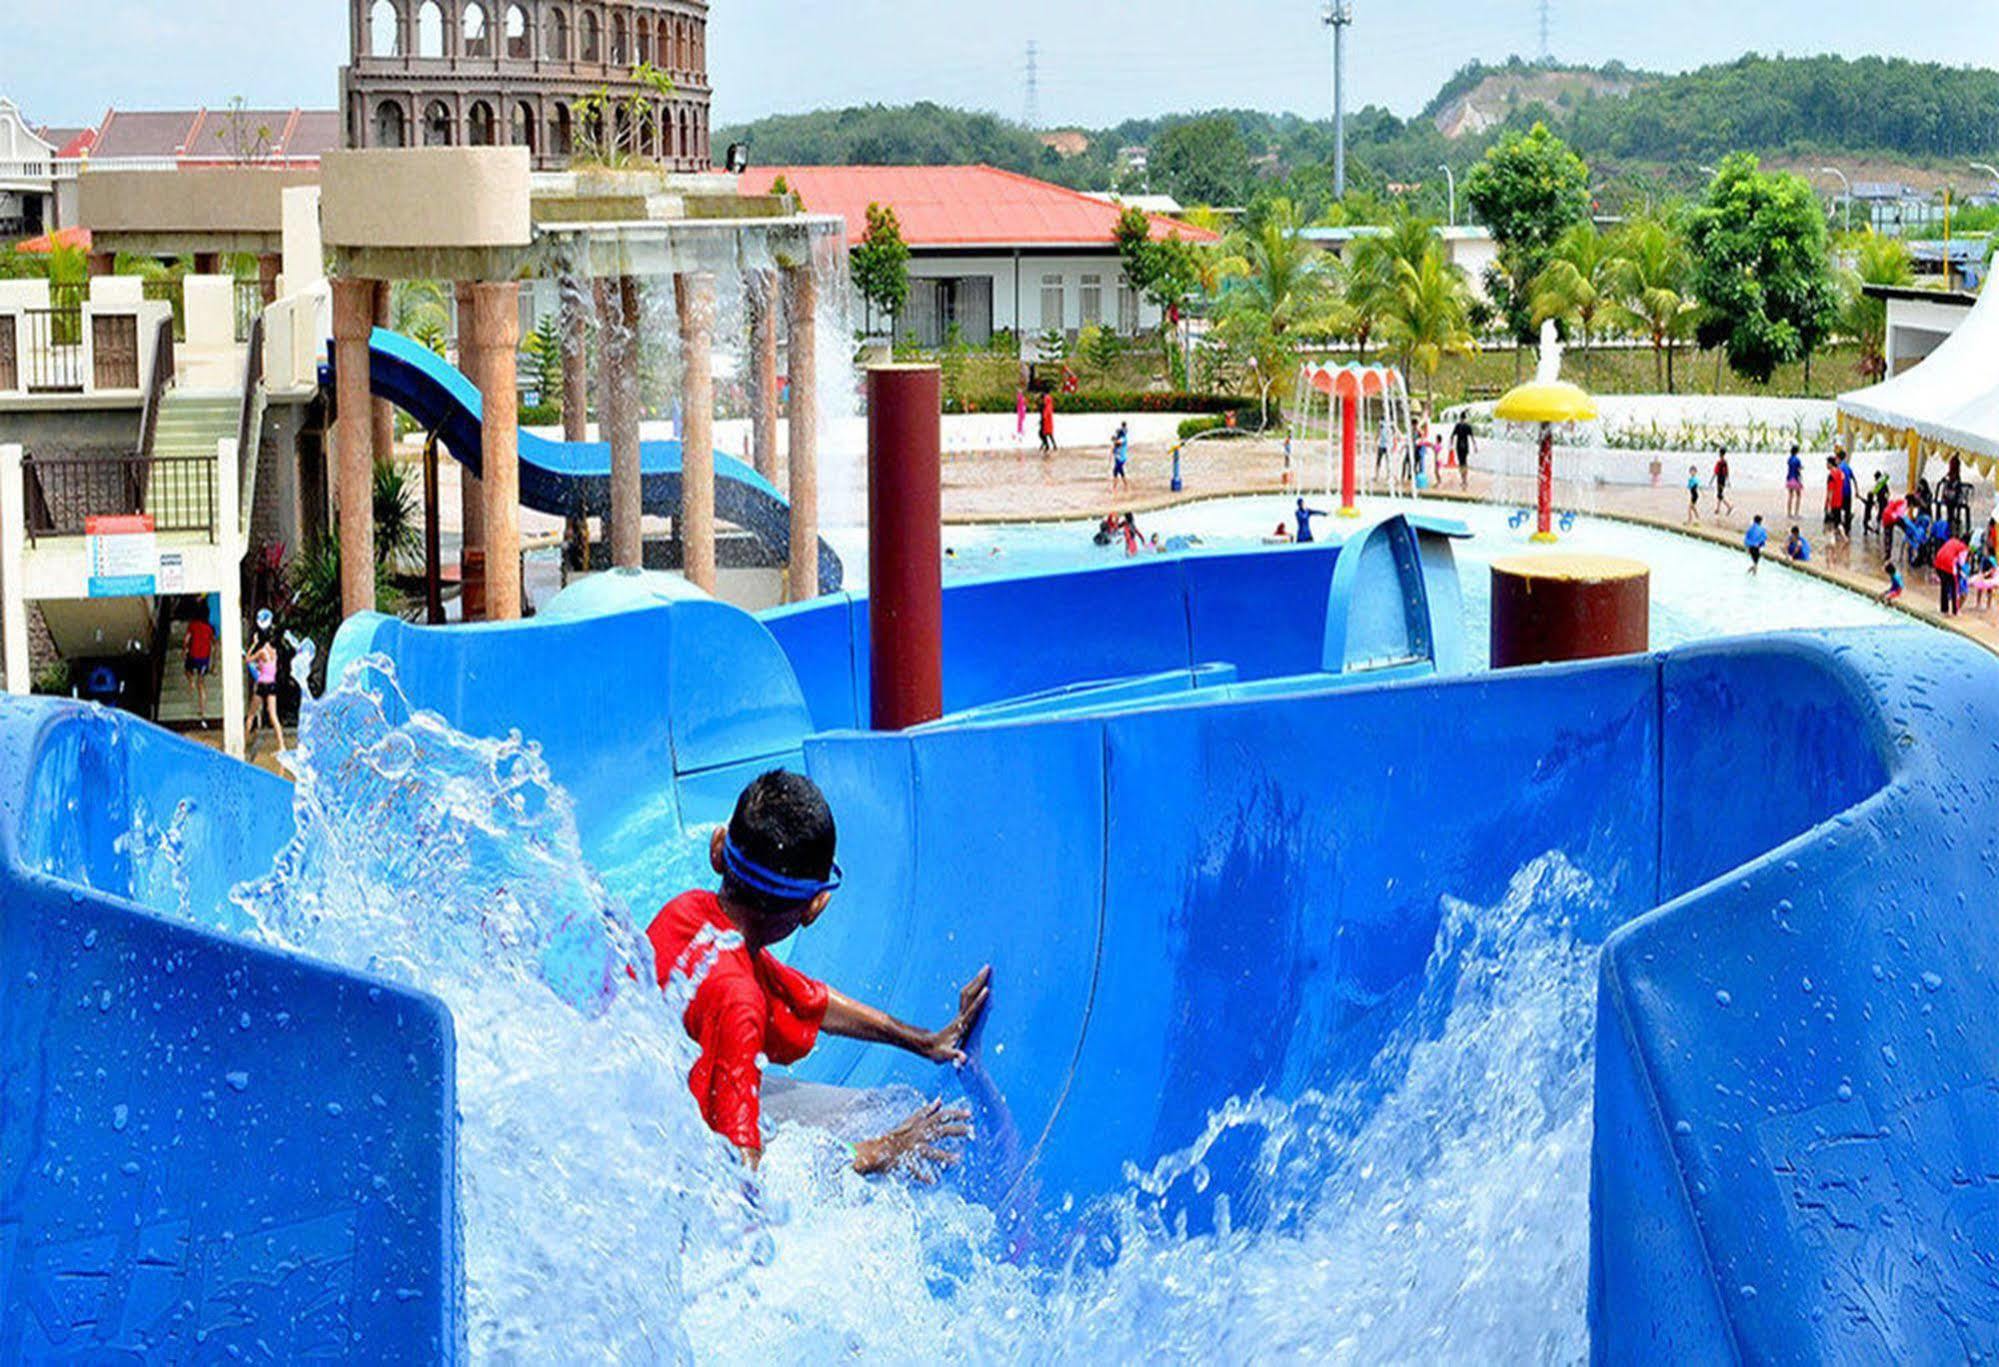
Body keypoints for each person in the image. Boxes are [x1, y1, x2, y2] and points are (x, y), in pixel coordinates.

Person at [646, 771, 990, 1176]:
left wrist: (926, 1041)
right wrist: (884, 1150)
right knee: (883, 1121)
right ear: (815, 907)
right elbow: (741, 1180)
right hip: (684, 1165)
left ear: (718, 850)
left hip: (653, 1121)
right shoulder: (740, 1000)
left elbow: (810, 1001)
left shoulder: (685, 913)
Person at [244, 609, 284, 757]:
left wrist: (253, 644)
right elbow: (267, 668)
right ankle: (281, 745)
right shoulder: (274, 651)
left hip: (262, 685)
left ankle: (243, 744)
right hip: (272, 684)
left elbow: (248, 659)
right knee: (273, 716)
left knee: (251, 715)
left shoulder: (261, 651)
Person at [183, 603, 216, 728]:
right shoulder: (209, 628)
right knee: (201, 684)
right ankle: (202, 711)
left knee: (187, 670)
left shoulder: (193, 625)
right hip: (204, 659)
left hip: (193, 655)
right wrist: (214, 664)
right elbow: (214, 644)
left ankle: (190, 681)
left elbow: (186, 640)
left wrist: (184, 650)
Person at [1450, 416, 1476, 490]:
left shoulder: (1458, 425)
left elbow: (1452, 436)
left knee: (1461, 463)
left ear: (1460, 418)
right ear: (1465, 418)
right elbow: (1472, 437)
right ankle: (1465, 480)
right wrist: (1475, 446)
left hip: (1459, 447)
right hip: (1465, 446)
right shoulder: (1468, 426)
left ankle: (1463, 479)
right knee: (1465, 462)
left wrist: (1451, 444)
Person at [1823, 458, 1845, 541]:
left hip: (1832, 502)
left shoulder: (1831, 475)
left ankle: (1831, 542)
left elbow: (1830, 491)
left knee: (1828, 524)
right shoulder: (1840, 473)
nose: (1826, 465)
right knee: (1838, 521)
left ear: (1831, 464)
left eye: (1827, 463)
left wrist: (1828, 505)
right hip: (1839, 501)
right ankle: (1844, 538)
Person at [1838, 449, 1858, 537]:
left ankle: (1840, 529)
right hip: (1848, 492)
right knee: (1847, 511)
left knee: (1838, 511)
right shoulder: (1848, 467)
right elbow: (1854, 479)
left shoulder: (1839, 468)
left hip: (1840, 493)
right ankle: (1847, 529)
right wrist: (1857, 491)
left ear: (1838, 458)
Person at [1784, 444, 1804, 518]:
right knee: (1798, 496)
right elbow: (1798, 469)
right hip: (1796, 478)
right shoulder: (1797, 460)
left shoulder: (1789, 459)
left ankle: (1789, 513)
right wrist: (1801, 468)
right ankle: (1796, 513)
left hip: (1789, 478)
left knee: (1790, 496)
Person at [1713, 448, 1734, 517]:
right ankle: (1718, 509)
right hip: (1723, 479)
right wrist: (1728, 480)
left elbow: (1716, 472)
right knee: (1719, 494)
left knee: (1719, 495)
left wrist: (1712, 479)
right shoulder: (1725, 462)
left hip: (1720, 479)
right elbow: (1726, 472)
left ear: (1720, 453)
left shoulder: (1720, 462)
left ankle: (1729, 506)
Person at [1110, 423, 1130, 494]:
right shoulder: (1120, 438)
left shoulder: (1123, 439)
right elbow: (1114, 447)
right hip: (1118, 458)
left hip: (1121, 459)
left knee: (1115, 471)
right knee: (1121, 472)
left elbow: (1118, 442)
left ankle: (1114, 488)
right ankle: (1126, 486)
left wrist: (1114, 440)